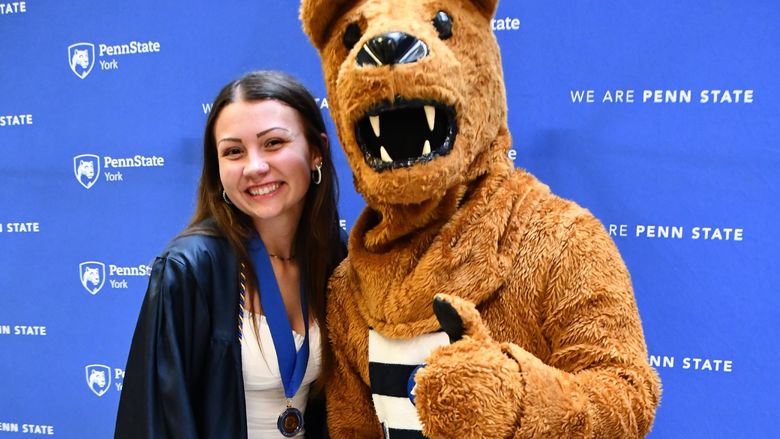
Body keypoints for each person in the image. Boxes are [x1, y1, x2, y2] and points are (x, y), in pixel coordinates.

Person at [115, 70, 345, 439]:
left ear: (316, 151)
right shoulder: (188, 269)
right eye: (234, 151)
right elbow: (152, 424)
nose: (254, 167)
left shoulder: (338, 258)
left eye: (273, 143)